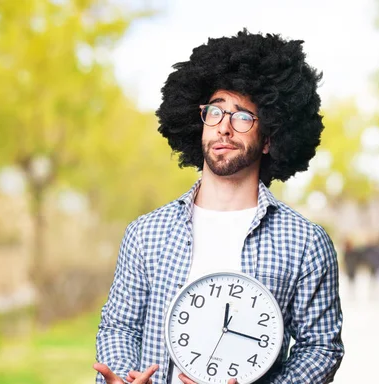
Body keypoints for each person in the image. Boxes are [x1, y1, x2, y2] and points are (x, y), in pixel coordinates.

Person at [94, 30, 344, 384]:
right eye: (215, 112)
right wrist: (122, 376)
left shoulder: (305, 242)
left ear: (270, 139)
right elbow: (120, 326)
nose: (224, 128)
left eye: (242, 117)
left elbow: (320, 348)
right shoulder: (145, 233)